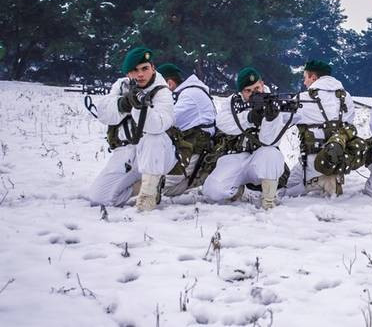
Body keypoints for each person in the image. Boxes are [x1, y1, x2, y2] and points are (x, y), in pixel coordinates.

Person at [88, 47, 176, 210]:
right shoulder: (121, 86)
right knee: (99, 197)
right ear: (128, 73)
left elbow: (158, 125)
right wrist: (124, 103)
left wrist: (140, 107)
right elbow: (104, 113)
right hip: (128, 150)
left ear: (153, 68)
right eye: (135, 70)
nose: (140, 74)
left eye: (145, 68)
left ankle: (148, 195)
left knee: (152, 137)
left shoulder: (162, 91)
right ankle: (144, 185)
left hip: (158, 153)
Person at [201, 67, 287, 209]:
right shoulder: (233, 103)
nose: (254, 93)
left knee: (272, 153)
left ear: (262, 84)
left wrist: (270, 119)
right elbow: (222, 123)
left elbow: (270, 141)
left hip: (260, 158)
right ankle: (237, 188)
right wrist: (249, 117)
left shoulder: (272, 102)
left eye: (257, 88)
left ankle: (268, 200)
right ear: (241, 92)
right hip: (235, 157)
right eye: (248, 91)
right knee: (212, 192)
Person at [284, 60, 366, 196]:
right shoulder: (346, 97)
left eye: (305, 78)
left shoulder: (303, 99)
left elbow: (282, 120)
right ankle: (333, 177)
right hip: (337, 161)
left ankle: (321, 181)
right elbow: (348, 124)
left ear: (313, 78)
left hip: (313, 162)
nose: (304, 83)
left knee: (288, 190)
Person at [156, 63, 217, 197]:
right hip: (190, 148)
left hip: (194, 149)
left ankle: (202, 176)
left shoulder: (189, 95)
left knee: (158, 186)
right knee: (161, 186)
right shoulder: (188, 92)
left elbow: (164, 123)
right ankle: (198, 177)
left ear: (169, 84)